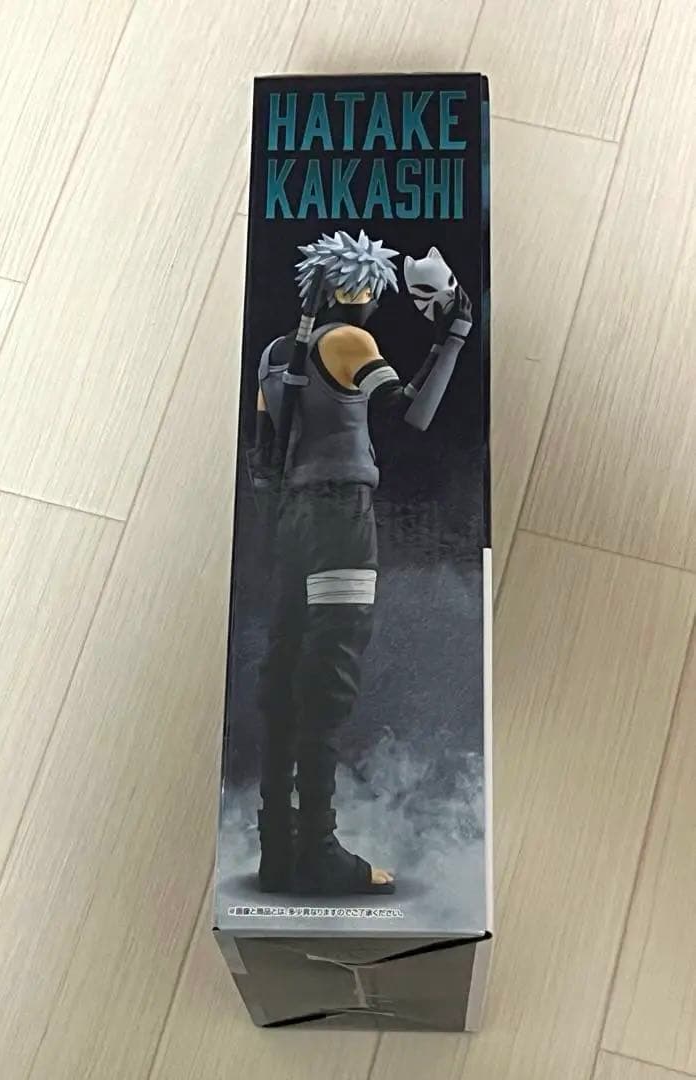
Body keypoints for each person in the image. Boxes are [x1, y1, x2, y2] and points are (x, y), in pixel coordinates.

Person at [252, 230, 472, 895]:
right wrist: (454, 333)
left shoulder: (272, 355)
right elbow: (412, 415)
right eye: (376, 292)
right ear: (360, 286)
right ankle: (318, 852)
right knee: (328, 675)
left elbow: (264, 460)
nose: (377, 304)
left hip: (294, 523)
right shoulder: (349, 342)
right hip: (341, 521)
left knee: (286, 673)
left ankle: (278, 848)